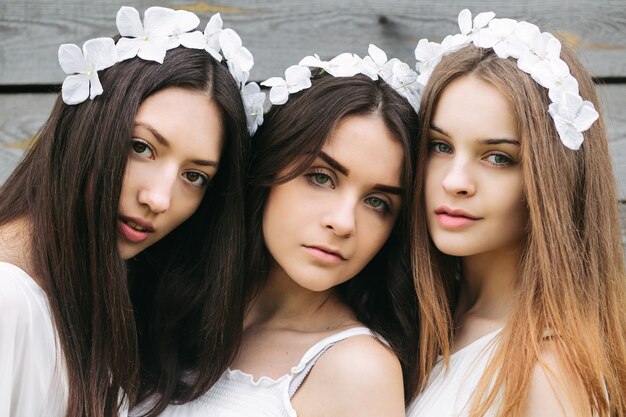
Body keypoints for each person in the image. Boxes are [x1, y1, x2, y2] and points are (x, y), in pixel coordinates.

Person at [0, 6, 260, 417]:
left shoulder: (100, 293)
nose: (159, 199)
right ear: (91, 126)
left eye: (195, 176)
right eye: (141, 147)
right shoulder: (8, 299)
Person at [156, 46, 421, 416]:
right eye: (321, 177)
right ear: (268, 168)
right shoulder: (169, 307)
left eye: (377, 202)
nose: (343, 223)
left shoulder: (358, 370)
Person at [407, 9, 626, 417]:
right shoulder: (424, 325)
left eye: (497, 157)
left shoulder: (550, 371)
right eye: (440, 146)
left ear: (552, 182)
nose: (456, 181)